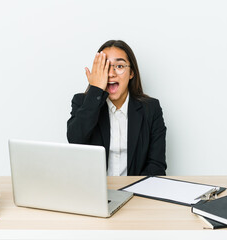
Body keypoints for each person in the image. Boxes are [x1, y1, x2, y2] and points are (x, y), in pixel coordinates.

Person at [67, 40, 167, 176]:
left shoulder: (151, 109)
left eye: (119, 66)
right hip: (94, 192)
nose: (111, 74)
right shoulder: (82, 102)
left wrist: (134, 191)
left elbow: (157, 166)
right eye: (105, 67)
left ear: (131, 73)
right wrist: (96, 90)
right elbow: (75, 140)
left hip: (136, 192)